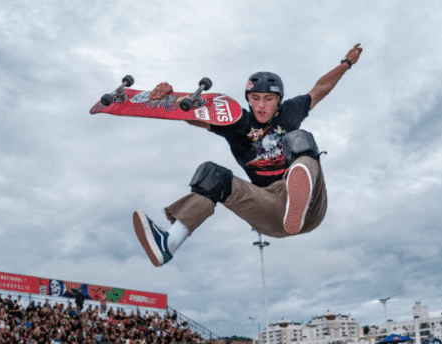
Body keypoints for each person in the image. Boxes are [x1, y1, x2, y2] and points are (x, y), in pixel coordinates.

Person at [133, 44, 364, 266]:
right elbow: (194, 116)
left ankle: (298, 196)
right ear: (248, 100)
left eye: (269, 99)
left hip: (311, 208)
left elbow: (320, 89)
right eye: (256, 99)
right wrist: (169, 99)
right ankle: (170, 242)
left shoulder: (291, 111)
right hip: (269, 208)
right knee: (212, 174)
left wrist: (346, 63)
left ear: (279, 101)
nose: (262, 105)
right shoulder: (235, 122)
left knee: (299, 138)